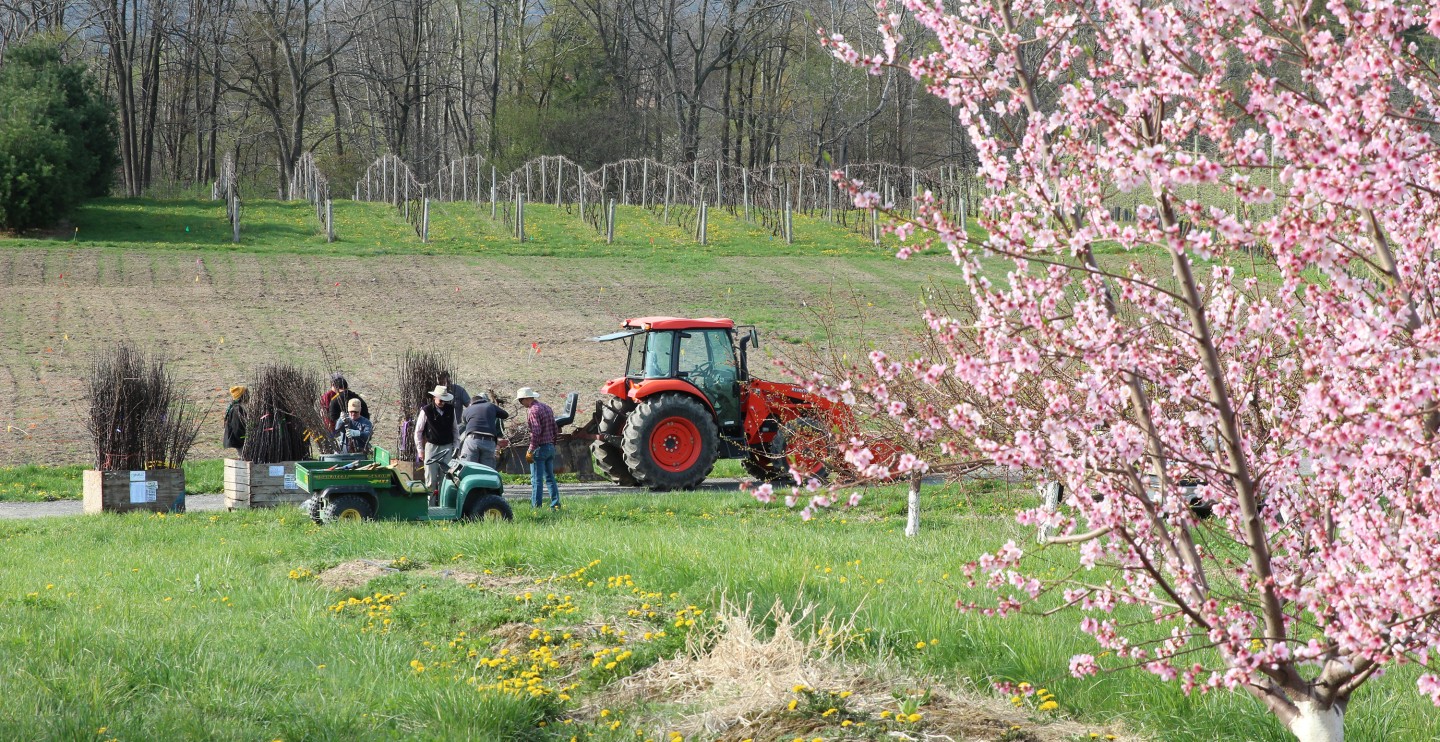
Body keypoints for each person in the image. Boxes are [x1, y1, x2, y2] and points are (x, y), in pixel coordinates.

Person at [518, 387, 560, 509]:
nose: (521, 403)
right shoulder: (546, 407)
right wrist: (552, 444)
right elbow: (555, 428)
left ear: (526, 398)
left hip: (540, 449)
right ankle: (555, 505)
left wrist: (530, 450)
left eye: (521, 400)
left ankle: (536, 508)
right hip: (550, 447)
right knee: (550, 478)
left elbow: (536, 432)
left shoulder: (533, 410)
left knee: (536, 480)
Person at [414, 384, 457, 496]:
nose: (442, 402)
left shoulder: (451, 409)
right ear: (434, 397)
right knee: (430, 479)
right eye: (440, 400)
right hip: (431, 447)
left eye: (444, 400)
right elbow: (418, 432)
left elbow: (455, 429)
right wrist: (420, 450)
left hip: (447, 447)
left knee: (446, 479)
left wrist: (456, 446)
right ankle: (430, 504)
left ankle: (443, 503)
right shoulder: (426, 410)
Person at [459, 392, 509, 469]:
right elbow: (505, 415)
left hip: (472, 440)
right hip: (489, 441)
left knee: (468, 467)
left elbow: (466, 424)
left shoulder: (467, 410)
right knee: (487, 469)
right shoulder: (490, 406)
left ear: (471, 403)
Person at [223, 386, 248, 454]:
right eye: (247, 393)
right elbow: (237, 428)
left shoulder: (237, 408)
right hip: (241, 442)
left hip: (241, 441)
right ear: (242, 396)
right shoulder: (237, 409)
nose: (249, 395)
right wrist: (246, 438)